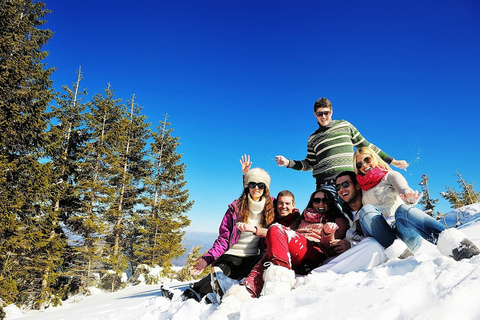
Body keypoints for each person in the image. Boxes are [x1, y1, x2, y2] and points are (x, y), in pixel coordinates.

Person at [161, 167, 275, 302]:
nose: (256, 188)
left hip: (252, 257)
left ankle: (219, 293)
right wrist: (207, 259)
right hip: (231, 256)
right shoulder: (236, 208)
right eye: (252, 184)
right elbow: (224, 238)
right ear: (247, 186)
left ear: (265, 188)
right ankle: (190, 294)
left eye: (260, 185)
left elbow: (287, 209)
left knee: (259, 265)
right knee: (222, 272)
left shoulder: (271, 208)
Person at [353, 146, 480, 261]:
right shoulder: (362, 188)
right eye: (359, 164)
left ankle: (459, 246)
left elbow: (403, 188)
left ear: (374, 158)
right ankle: (400, 254)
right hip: (381, 236)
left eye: (367, 160)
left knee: (404, 209)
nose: (364, 165)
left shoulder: (390, 176)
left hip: (403, 233)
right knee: (366, 210)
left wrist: (409, 197)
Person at [275, 97, 408, 189]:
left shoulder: (345, 126)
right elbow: (309, 164)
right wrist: (288, 163)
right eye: (320, 114)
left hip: (349, 180)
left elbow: (366, 146)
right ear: (315, 115)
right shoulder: (313, 138)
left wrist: (393, 161)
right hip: (324, 184)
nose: (323, 117)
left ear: (331, 112)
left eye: (326, 113)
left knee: (355, 218)